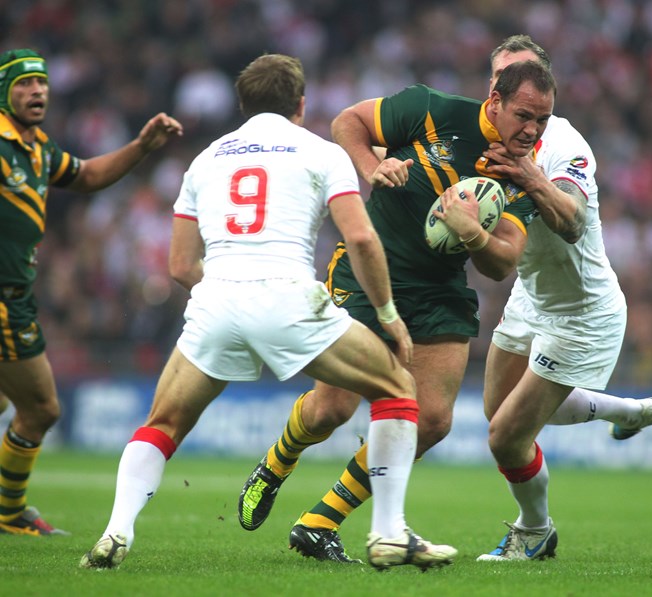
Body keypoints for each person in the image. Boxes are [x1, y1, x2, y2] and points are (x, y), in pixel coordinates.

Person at [78, 53, 456, 571]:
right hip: (288, 296)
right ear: (300, 104)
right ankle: (389, 534)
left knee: (162, 424)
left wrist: (232, 295)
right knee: (397, 389)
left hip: (216, 301)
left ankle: (114, 533)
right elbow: (363, 237)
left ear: (242, 105)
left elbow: (181, 265)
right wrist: (388, 314)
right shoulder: (320, 151)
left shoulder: (205, 159)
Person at [237, 60, 556, 562]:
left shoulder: (526, 171)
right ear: (494, 101)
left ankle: (320, 523)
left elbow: (503, 263)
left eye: (543, 119)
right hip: (370, 273)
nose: (533, 129)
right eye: (524, 115)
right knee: (331, 410)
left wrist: (471, 230)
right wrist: (372, 167)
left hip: (438, 290)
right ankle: (277, 463)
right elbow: (348, 122)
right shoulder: (433, 109)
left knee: (431, 420)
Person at [475, 35, 652, 562]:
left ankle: (534, 530)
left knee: (505, 438)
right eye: (500, 84)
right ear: (493, 92)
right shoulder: (479, 133)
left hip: (583, 313)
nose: (517, 110)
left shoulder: (565, 145)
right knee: (499, 414)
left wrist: (529, 175)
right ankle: (625, 411)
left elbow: (572, 220)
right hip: (529, 297)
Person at [0, 48, 183, 536]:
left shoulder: (36, 148)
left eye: (41, 82)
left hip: (16, 295)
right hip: (2, 300)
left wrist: (142, 146)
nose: (36, 90)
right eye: (23, 83)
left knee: (11, 405)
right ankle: (8, 512)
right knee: (40, 408)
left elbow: (87, 176)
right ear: (3, 91)